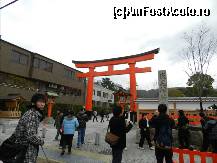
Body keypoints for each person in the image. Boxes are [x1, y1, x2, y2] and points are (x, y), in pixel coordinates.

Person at [1, 93, 46, 163]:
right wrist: (41, 141)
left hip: (24, 146)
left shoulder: (33, 113)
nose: (42, 104)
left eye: (44, 102)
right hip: (25, 149)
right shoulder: (32, 115)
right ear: (34, 102)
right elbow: (31, 136)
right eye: (40, 101)